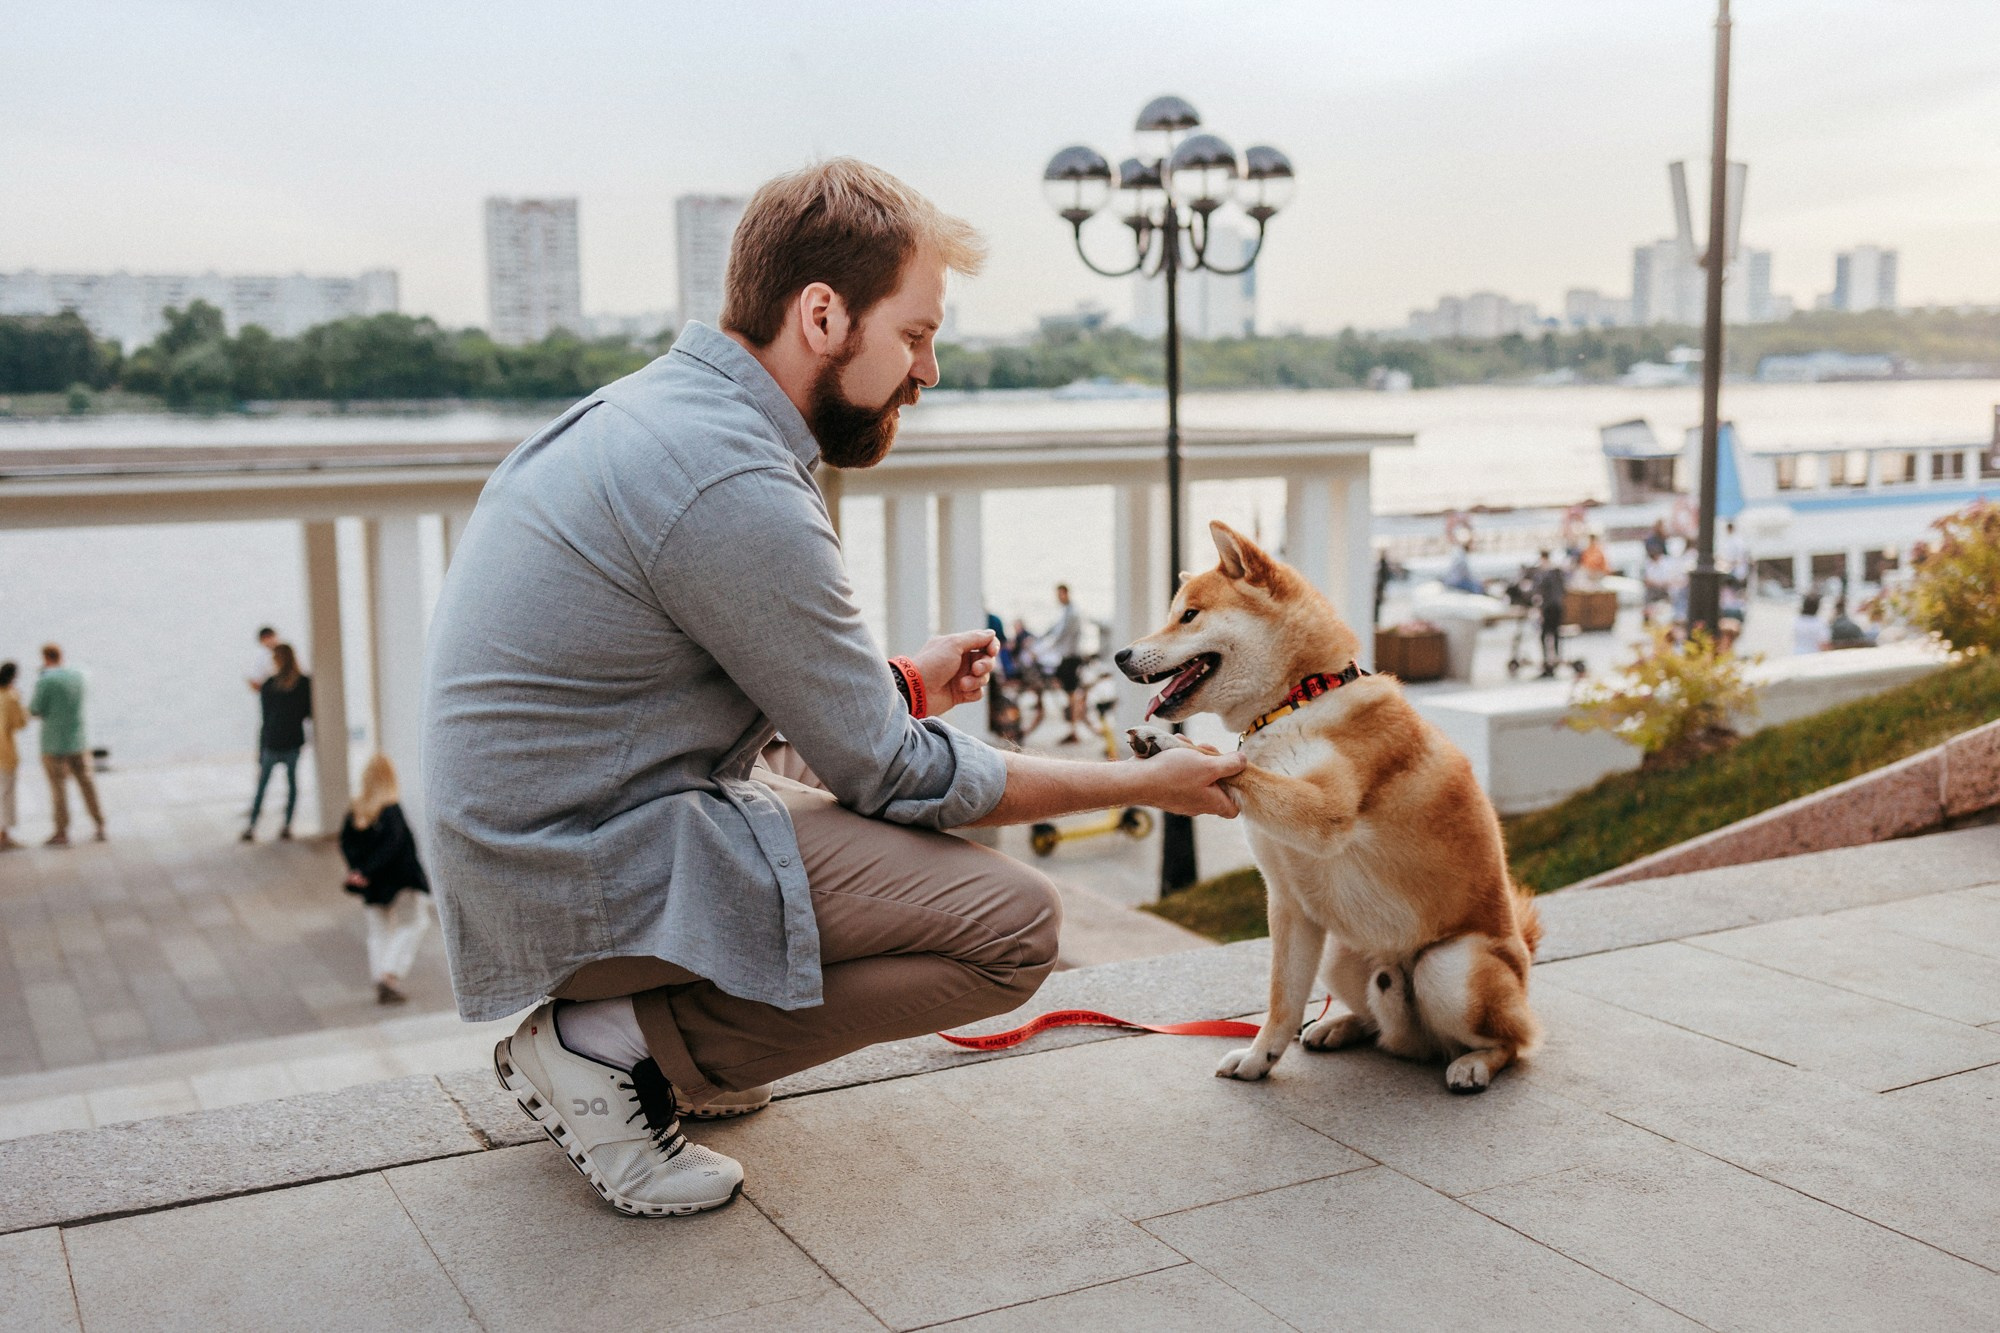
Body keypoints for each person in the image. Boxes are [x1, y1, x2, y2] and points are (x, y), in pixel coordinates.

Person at [422, 158, 1243, 1217]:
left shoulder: (662, 414)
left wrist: (896, 683)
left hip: (540, 838)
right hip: (569, 867)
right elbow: (894, 775)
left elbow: (713, 692)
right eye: (915, 334)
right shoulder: (731, 480)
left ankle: (662, 1043)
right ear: (822, 315)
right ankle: (608, 1046)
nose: (928, 371)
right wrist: (1147, 783)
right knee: (1012, 926)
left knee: (857, 819)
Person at [340, 754, 433, 1004]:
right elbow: (394, 846)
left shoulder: (357, 811)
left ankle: (381, 977)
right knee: (415, 922)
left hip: (372, 885)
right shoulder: (391, 810)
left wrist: (359, 871)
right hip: (399, 881)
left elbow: (346, 843)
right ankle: (389, 974)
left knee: (378, 932)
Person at [28, 644, 104, 847]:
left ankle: (61, 831)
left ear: (45, 658)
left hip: (53, 744)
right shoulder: (80, 675)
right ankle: (100, 823)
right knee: (87, 784)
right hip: (79, 740)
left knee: (58, 789)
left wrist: (43, 676)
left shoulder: (45, 681)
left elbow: (35, 709)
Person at [244, 643, 312, 841]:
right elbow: (308, 712)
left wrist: (262, 745)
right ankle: (287, 825)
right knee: (291, 784)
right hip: (292, 739)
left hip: (273, 741)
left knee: (262, 785)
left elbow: (265, 718)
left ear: (277, 661)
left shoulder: (269, 685)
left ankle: (252, 826)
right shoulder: (304, 683)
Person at [1044, 583, 1087, 744]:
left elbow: (1062, 634)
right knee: (1068, 692)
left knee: (1071, 694)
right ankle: (1072, 725)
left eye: (1060, 594)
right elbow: (1054, 629)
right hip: (1067, 657)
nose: (1058, 598)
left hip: (1071, 658)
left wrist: (1044, 648)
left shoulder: (1072, 613)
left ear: (1066, 593)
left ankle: (1074, 728)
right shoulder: (1067, 611)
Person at [0, 662, 25, 852]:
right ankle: (3, 836)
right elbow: (21, 723)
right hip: (5, 753)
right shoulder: (11, 697)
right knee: (6, 795)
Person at [1531, 550, 1568, 677]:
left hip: (1549, 607)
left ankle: (1549, 659)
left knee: (1546, 634)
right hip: (1557, 606)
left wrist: (1540, 607)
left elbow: (1540, 591)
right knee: (1554, 633)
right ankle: (1555, 657)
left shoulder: (1545, 573)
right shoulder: (1557, 572)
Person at [245, 626, 279, 694]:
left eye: (270, 637)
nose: (269, 641)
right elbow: (254, 683)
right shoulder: (259, 658)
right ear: (261, 641)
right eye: (266, 638)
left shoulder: (286, 652)